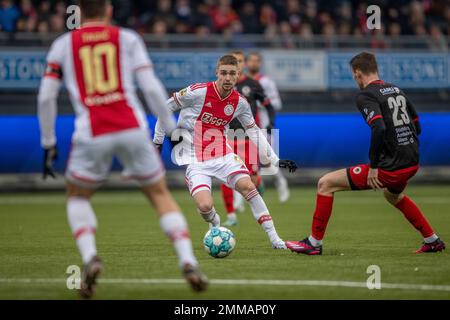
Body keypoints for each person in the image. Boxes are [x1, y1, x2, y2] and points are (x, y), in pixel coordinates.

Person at [37, 0, 207, 298]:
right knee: (158, 194)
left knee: (77, 196)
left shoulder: (63, 44)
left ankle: (90, 257)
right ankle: (188, 261)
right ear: (108, 11)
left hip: (91, 132)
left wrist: (48, 142)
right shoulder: (127, 38)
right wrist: (172, 130)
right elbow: (152, 88)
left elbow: (46, 97)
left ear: (78, 12)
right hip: (131, 128)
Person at [286, 52, 445, 255]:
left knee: (325, 184)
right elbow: (416, 125)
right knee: (392, 195)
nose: (355, 80)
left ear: (358, 73)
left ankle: (313, 243)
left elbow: (378, 128)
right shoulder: (396, 89)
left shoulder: (366, 95)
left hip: (391, 167)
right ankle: (432, 240)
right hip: (412, 161)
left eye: (354, 76)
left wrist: (375, 167)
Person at [153, 54, 297, 250]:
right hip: (194, 159)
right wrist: (158, 141)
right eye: (224, 73)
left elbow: (254, 131)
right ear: (217, 73)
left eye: (232, 74)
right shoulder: (198, 92)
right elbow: (165, 108)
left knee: (249, 187)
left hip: (223, 155)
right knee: (204, 206)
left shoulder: (240, 102)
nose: (228, 78)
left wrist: (274, 159)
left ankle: (275, 239)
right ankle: (215, 222)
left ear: (238, 74)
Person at [220, 50, 276, 227]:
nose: (237, 63)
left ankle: (257, 185)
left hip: (248, 138)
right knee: (224, 177)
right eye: (234, 60)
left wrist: (270, 126)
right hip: (227, 138)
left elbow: (269, 106)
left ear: (242, 64)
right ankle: (231, 215)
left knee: (251, 179)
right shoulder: (221, 85)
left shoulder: (253, 84)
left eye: (240, 61)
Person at [246, 52, 290, 203]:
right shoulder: (242, 82)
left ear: (260, 64)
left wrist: (256, 102)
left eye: (256, 61)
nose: (253, 64)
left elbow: (277, 104)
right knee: (245, 160)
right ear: (246, 63)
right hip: (246, 126)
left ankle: (280, 182)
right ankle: (243, 198)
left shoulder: (266, 82)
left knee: (266, 161)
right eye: (251, 61)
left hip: (263, 125)